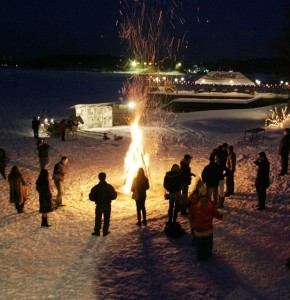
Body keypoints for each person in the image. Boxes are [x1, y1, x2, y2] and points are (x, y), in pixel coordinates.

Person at [188, 182, 227, 261]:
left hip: (198, 229)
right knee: (208, 243)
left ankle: (200, 256)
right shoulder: (209, 204)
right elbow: (215, 213)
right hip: (208, 228)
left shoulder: (194, 205)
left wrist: (192, 222)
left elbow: (191, 214)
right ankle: (208, 254)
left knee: (199, 243)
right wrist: (223, 217)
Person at [89, 172, 117, 236]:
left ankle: (97, 231)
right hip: (107, 205)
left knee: (98, 218)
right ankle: (105, 231)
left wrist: (96, 199)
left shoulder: (96, 188)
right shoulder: (109, 187)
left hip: (99, 205)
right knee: (106, 218)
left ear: (99, 178)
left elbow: (91, 197)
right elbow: (114, 196)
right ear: (105, 177)